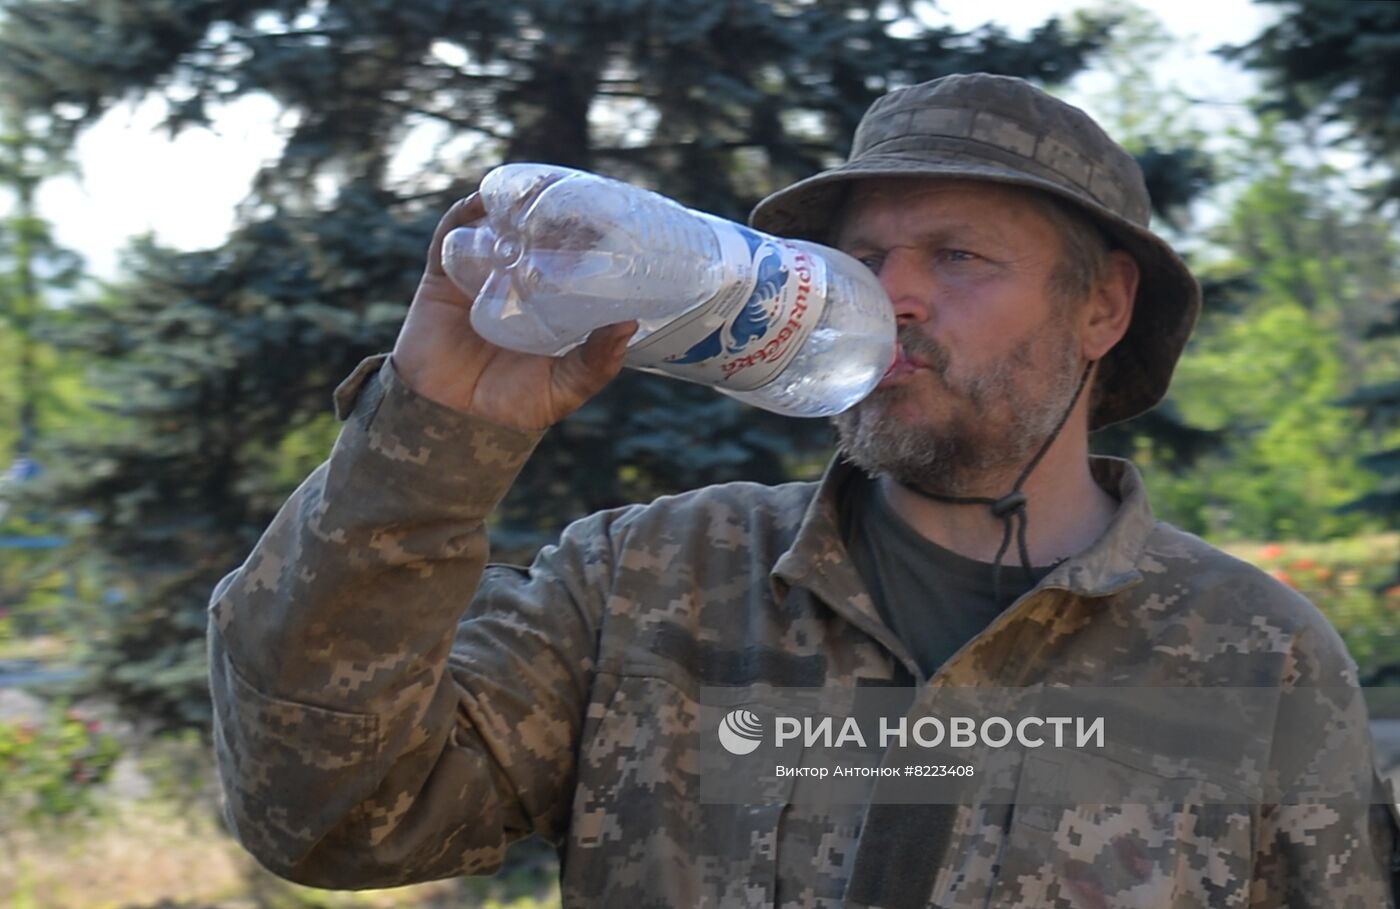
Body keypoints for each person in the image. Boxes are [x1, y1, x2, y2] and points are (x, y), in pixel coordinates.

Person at [208, 73, 1400, 907]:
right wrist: (427, 434)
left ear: (1100, 308)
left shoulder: (1255, 658)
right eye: (866, 260)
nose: (897, 298)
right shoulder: (651, 581)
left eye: (956, 256)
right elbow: (326, 812)